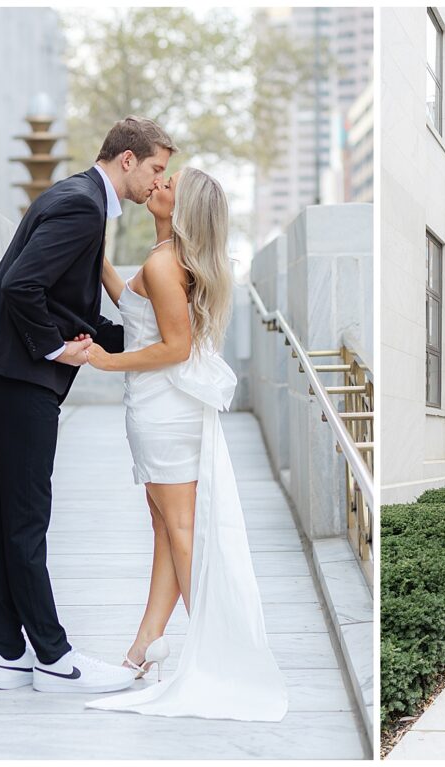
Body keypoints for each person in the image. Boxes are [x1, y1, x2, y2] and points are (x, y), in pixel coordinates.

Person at [0, 116, 177, 693]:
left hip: (2, 364)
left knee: (5, 512)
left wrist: (143, 342)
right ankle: (53, 657)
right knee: (26, 517)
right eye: (156, 168)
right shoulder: (84, 205)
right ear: (127, 160)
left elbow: (62, 300)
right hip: (19, 370)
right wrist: (57, 349)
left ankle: (8, 654)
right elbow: (20, 286)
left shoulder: (77, 196)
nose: (158, 182)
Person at [83, 167, 288, 721]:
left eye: (169, 184)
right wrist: (98, 255)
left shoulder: (163, 262)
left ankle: (217, 654)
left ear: (183, 208)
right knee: (167, 530)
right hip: (160, 408)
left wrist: (106, 361)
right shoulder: (167, 259)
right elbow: (135, 307)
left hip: (164, 409)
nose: (158, 185)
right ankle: (143, 650)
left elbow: (173, 347)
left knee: (180, 532)